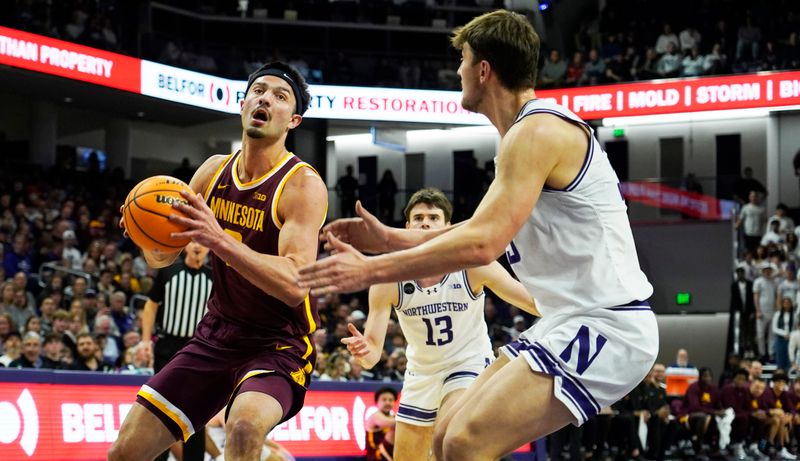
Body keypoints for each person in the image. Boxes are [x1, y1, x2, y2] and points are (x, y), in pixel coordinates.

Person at [298, 10, 657, 461]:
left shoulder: (537, 131)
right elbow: (473, 228)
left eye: (463, 60)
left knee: (466, 442)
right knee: (446, 435)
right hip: (565, 319)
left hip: (607, 321)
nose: (458, 71)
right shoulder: (521, 136)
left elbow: (482, 245)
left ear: (483, 69)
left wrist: (371, 268)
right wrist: (390, 237)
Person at [109, 61, 327, 461]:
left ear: (293, 120)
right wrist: (145, 233)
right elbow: (164, 256)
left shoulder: (302, 185)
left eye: (280, 96)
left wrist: (217, 239)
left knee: (243, 428)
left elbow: (295, 284)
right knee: (126, 451)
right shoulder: (212, 171)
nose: (266, 98)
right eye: (259, 90)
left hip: (277, 342)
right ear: (243, 104)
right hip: (217, 334)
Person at [343, 188, 536, 460]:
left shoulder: (472, 265)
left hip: (467, 363)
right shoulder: (387, 277)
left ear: (447, 226)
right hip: (421, 373)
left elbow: (530, 301)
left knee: (449, 434)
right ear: (407, 226)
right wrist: (363, 351)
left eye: (433, 218)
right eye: (419, 217)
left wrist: (573, 304)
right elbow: (372, 356)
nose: (425, 223)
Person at [141, 241, 213, 461]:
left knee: (197, 412)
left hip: (198, 348)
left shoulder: (215, 279)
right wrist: (145, 341)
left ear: (210, 248)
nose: (198, 247)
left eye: (203, 243)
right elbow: (151, 306)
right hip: (168, 348)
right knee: (160, 410)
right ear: (185, 246)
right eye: (193, 242)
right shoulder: (168, 271)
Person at [366, 387, 398, 461]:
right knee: (395, 429)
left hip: (390, 452)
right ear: (377, 402)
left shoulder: (394, 416)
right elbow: (391, 423)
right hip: (376, 456)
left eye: (391, 400)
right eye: (384, 400)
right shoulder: (375, 416)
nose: (387, 403)